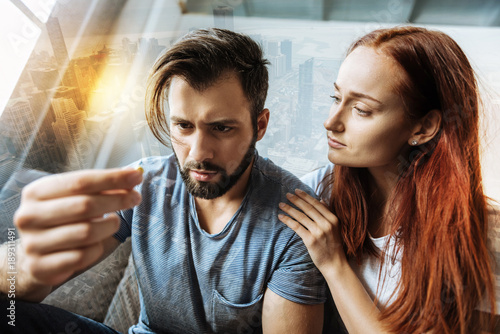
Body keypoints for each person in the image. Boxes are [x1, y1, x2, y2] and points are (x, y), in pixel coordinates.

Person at [0, 28, 326, 333]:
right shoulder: (144, 183)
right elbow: (22, 281)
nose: (198, 153)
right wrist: (26, 264)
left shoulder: (294, 221)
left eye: (221, 128)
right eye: (184, 126)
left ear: (261, 125)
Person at [278, 26, 499, 333]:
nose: (331, 122)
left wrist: (334, 263)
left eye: (361, 109)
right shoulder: (317, 192)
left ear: (424, 127)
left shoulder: (483, 233)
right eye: (335, 96)